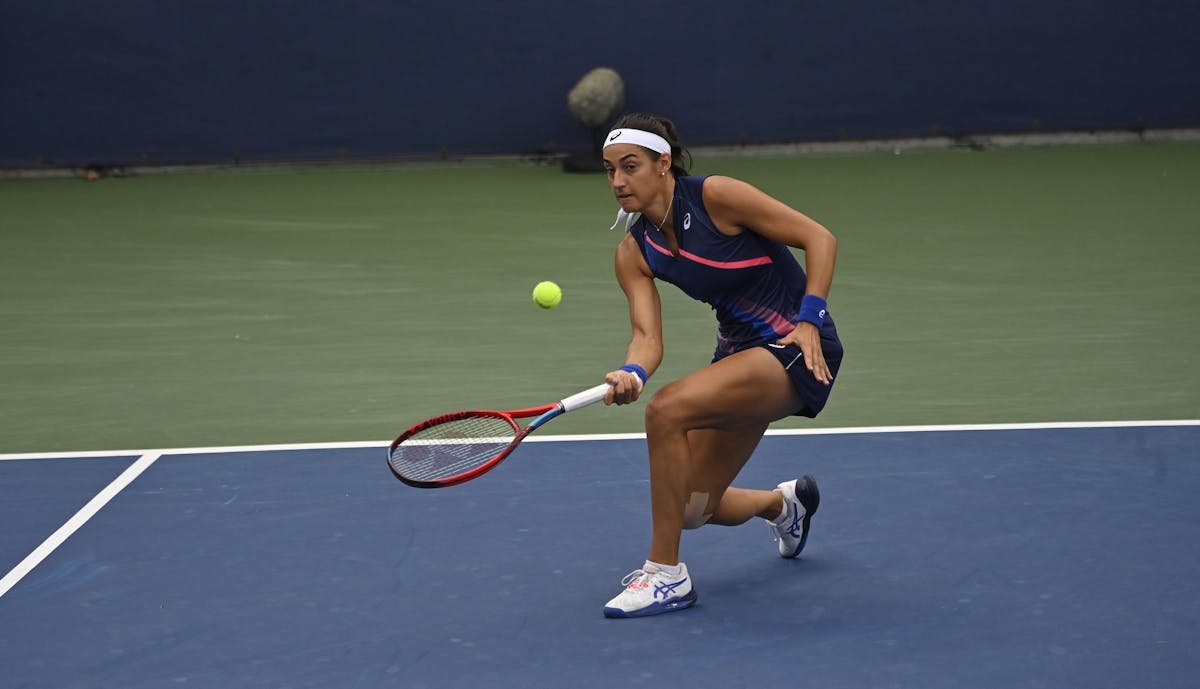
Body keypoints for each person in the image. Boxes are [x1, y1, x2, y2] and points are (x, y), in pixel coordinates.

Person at [597, 113, 843, 618]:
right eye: (609, 169)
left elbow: (820, 238)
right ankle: (784, 506)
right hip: (738, 357)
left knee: (666, 412)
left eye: (630, 166)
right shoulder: (633, 252)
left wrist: (810, 319)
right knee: (690, 508)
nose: (618, 181)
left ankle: (666, 576)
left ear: (663, 163)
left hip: (795, 346)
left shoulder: (716, 197)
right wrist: (633, 373)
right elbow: (646, 339)